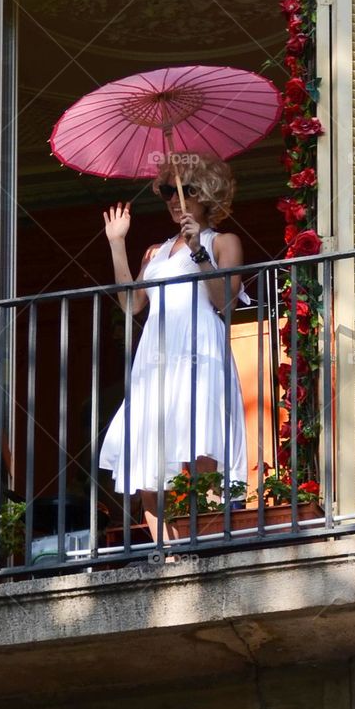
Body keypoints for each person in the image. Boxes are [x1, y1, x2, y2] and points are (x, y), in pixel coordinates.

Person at [98, 153, 248, 519]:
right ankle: (163, 548)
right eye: (167, 192)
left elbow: (224, 301)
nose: (174, 200)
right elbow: (131, 304)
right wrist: (117, 243)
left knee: (202, 444)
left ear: (206, 194)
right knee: (147, 456)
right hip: (157, 353)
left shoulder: (223, 242)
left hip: (199, 347)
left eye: (184, 190)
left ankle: (210, 538)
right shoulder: (155, 252)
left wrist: (198, 250)